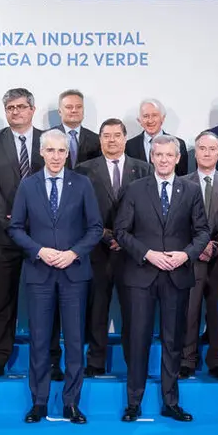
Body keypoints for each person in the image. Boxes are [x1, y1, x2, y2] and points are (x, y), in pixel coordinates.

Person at [8, 129, 103, 424]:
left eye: (61, 151)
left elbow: (96, 228)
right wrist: (39, 251)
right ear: (41, 152)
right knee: (38, 341)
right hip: (39, 273)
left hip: (74, 273)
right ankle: (39, 402)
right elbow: (15, 228)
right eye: (50, 151)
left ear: (68, 154)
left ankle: (71, 403)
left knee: (74, 341)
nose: (56, 156)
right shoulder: (28, 185)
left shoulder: (83, 184)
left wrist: (73, 253)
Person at [114, 135, 210, 422]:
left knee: (173, 341)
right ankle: (134, 402)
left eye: (170, 155)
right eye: (159, 155)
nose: (164, 159)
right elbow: (121, 231)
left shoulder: (191, 191)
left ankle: (171, 401)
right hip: (141, 275)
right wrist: (147, 254)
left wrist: (185, 255)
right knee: (138, 339)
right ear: (151, 157)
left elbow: (203, 232)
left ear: (179, 158)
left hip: (177, 275)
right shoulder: (134, 190)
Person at [75, 119, 152, 376]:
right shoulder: (83, 170)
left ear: (125, 138)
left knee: (133, 311)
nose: (111, 140)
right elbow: (81, 212)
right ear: (100, 139)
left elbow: (148, 211)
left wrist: (127, 238)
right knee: (97, 309)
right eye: (106, 135)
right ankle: (95, 362)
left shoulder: (143, 169)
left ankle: (134, 363)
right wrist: (107, 236)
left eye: (117, 135)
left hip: (132, 253)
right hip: (97, 250)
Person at [0, 87, 44, 381]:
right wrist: (12, 222)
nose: (15, 112)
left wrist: (35, 222)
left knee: (45, 300)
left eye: (20, 107)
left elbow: (53, 181)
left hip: (41, 237)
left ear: (32, 109)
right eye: (10, 108)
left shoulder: (49, 140)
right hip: (2, 235)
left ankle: (49, 359)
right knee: (1, 300)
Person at [181, 131, 218, 379]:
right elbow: (176, 222)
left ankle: (217, 360)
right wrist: (198, 246)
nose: (206, 153)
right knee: (189, 311)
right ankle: (187, 360)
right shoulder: (181, 182)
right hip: (191, 257)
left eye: (211, 149)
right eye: (202, 148)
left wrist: (215, 244)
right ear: (196, 152)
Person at [125, 98, 190, 176]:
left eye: (154, 115)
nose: (150, 120)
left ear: (162, 118)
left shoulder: (179, 144)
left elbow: (182, 178)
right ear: (139, 120)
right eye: (146, 116)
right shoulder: (129, 146)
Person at [52, 89, 101, 167]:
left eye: (79, 107)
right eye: (69, 107)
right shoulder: (48, 137)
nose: (74, 110)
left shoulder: (96, 140)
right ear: (60, 112)